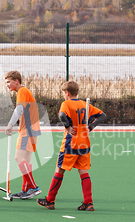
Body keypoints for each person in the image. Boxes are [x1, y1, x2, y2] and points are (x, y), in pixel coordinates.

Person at [37, 81, 106, 211]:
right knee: (83, 172)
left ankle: (50, 200)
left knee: (59, 170)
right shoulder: (85, 105)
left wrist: (68, 126)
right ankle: (88, 202)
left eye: (63, 93)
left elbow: (62, 115)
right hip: (84, 144)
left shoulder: (66, 104)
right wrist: (90, 127)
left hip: (71, 144)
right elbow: (102, 115)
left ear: (67, 93)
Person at [5, 71, 42, 199]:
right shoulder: (25, 92)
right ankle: (26, 190)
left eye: (9, 82)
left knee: (18, 158)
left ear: (16, 81)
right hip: (33, 129)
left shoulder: (22, 91)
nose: (7, 85)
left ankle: (33, 187)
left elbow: (19, 109)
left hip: (28, 129)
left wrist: (10, 124)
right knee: (27, 160)